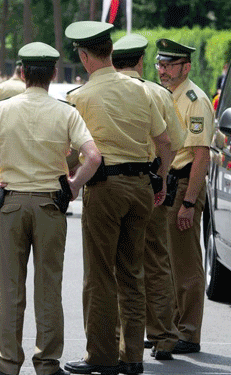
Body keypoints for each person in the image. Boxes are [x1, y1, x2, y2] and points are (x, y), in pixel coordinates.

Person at [0, 41, 101, 375]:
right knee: (48, 286)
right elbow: (93, 156)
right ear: (53, 73)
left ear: (22, 74)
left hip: (12, 203)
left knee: (10, 287)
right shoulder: (66, 112)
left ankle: (8, 363)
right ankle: (47, 363)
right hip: (51, 204)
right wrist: (74, 186)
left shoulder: (2, 110)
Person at [63, 21, 173, 375]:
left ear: (83, 56)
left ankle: (101, 355)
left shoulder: (80, 97)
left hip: (105, 188)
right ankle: (133, 357)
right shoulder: (142, 91)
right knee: (132, 273)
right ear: (111, 51)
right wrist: (160, 178)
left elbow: (68, 150)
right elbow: (166, 144)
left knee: (99, 275)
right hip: (141, 186)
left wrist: (68, 180)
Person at [111, 34, 187, 361]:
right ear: (141, 61)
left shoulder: (102, 91)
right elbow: (174, 142)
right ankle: (165, 336)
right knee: (156, 259)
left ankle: (119, 339)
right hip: (150, 183)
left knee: (116, 263)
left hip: (110, 185)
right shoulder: (158, 93)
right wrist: (163, 178)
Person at [155, 38, 215, 354]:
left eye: (168, 65)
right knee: (166, 261)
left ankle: (189, 333)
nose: (162, 70)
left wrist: (189, 203)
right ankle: (172, 326)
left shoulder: (195, 100)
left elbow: (201, 155)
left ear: (185, 67)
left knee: (186, 263)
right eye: (160, 64)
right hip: (168, 184)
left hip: (184, 184)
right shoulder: (166, 95)